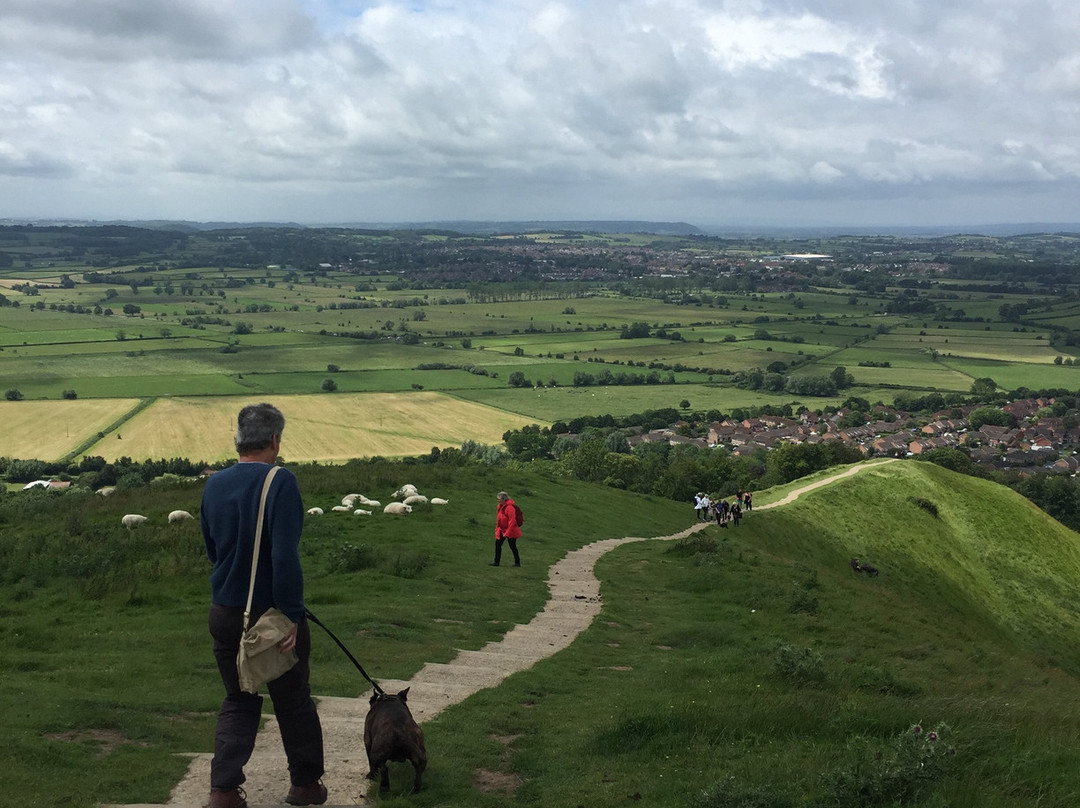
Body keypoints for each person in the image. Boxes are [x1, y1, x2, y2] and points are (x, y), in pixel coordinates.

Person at [200, 403, 326, 808]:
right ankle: (304, 786)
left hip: (223, 611)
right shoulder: (281, 481)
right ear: (275, 439)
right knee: (293, 701)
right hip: (270, 614)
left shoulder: (214, 484)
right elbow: (284, 556)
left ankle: (223, 791)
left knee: (238, 698)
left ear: (238, 440)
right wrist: (291, 614)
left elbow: (212, 550)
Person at [491, 491, 522, 567]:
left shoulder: (510, 508)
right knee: (498, 544)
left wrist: (507, 533)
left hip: (511, 530)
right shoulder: (500, 506)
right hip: (502, 529)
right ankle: (496, 562)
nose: (498, 501)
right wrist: (497, 528)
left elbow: (512, 521)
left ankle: (517, 562)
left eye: (499, 499)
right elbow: (499, 518)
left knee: (512, 546)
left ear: (504, 499)